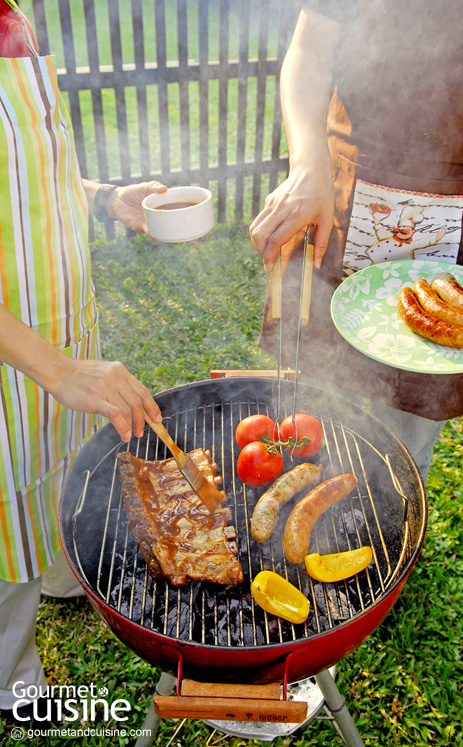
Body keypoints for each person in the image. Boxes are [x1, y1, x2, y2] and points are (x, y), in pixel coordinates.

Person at [250, 1, 463, 482]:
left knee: (406, 432)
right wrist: (307, 165)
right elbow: (308, 48)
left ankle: (388, 519)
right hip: (342, 193)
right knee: (311, 400)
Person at [0, 0, 165, 721]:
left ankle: (61, 570)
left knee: (58, 464)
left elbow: (31, 178)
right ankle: (12, 682)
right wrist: (59, 369)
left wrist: (104, 199)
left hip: (55, 319)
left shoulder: (16, 20)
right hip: (13, 349)